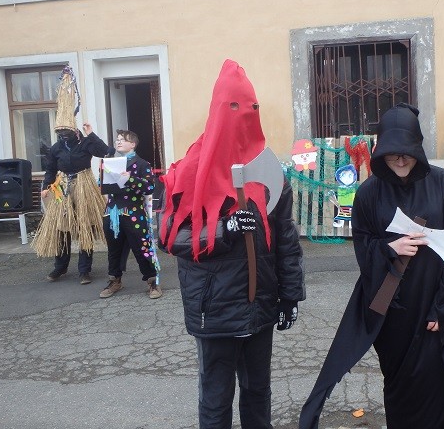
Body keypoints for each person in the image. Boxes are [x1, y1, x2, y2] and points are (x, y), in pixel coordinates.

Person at [300, 103, 444, 429]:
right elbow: (363, 247)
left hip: (434, 307)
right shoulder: (369, 194)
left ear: (418, 148)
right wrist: (389, 248)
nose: (401, 160)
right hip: (394, 313)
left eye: (407, 152)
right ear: (381, 152)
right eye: (393, 153)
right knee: (399, 388)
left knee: (438, 385)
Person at [159, 59, 305, 429]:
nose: (245, 117)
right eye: (235, 107)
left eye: (253, 108)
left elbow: (286, 239)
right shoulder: (187, 172)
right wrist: (224, 230)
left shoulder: (269, 174)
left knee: (258, 391)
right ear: (217, 111)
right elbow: (170, 236)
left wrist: (290, 296)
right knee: (216, 398)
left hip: (260, 306)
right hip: (215, 308)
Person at [32, 66, 110, 285]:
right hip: (62, 188)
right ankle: (60, 267)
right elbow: (50, 169)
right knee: (61, 229)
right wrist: (45, 187)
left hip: (84, 185)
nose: (63, 135)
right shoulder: (56, 148)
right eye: (60, 133)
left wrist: (91, 134)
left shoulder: (85, 142)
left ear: (74, 130)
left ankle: (85, 270)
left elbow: (105, 152)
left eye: (66, 132)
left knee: (85, 227)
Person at [99, 129, 162, 299]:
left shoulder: (142, 164)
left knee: (142, 248)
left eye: (123, 140)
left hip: (133, 212)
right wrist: (103, 179)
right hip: (112, 212)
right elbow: (101, 185)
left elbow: (150, 187)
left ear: (132, 144)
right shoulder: (110, 163)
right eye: (117, 139)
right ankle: (115, 280)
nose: (118, 142)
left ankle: (153, 281)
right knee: (114, 250)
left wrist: (130, 179)